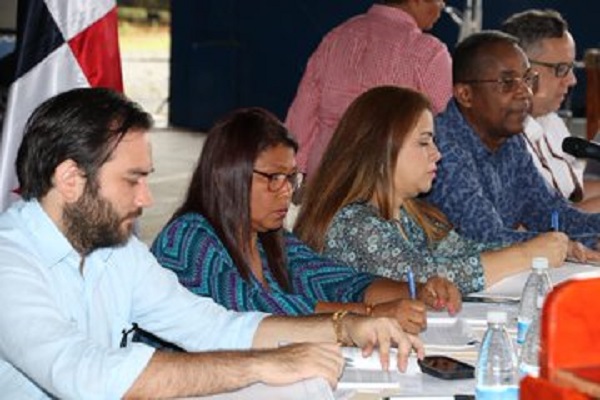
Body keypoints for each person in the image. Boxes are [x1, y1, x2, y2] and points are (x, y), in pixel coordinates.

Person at [0, 88, 424, 399]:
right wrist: (265, 363)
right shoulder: (9, 263)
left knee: (302, 383)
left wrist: (345, 326)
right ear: (71, 180)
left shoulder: (115, 250)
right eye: (133, 179)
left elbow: (214, 326)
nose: (147, 198)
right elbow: (86, 377)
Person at [151, 107, 462, 336]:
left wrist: (415, 293)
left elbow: (338, 281)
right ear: (227, 176)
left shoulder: (270, 239)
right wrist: (365, 316)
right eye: (273, 178)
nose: (286, 192)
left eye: (291, 178)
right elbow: (252, 309)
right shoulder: (188, 239)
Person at [294, 86, 568, 294]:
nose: (437, 154)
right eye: (424, 143)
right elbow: (423, 277)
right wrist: (527, 254)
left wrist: (548, 244)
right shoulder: (353, 224)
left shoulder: (409, 217)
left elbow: (465, 250)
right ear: (380, 150)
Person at [426, 31, 600, 262]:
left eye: (527, 79)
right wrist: (569, 245)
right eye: (507, 82)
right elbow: (486, 238)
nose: (525, 92)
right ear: (465, 94)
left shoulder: (509, 139)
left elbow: (550, 212)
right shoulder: (442, 148)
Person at [285, 0, 452, 179]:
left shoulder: (337, 37)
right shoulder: (429, 53)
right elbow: (448, 129)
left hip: (325, 181)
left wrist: (294, 174)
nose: (442, 6)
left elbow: (302, 115)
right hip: (385, 184)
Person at [501, 9, 600, 211]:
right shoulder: (497, 138)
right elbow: (535, 225)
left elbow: (573, 194)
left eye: (571, 68)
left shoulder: (551, 121)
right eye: (561, 69)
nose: (572, 80)